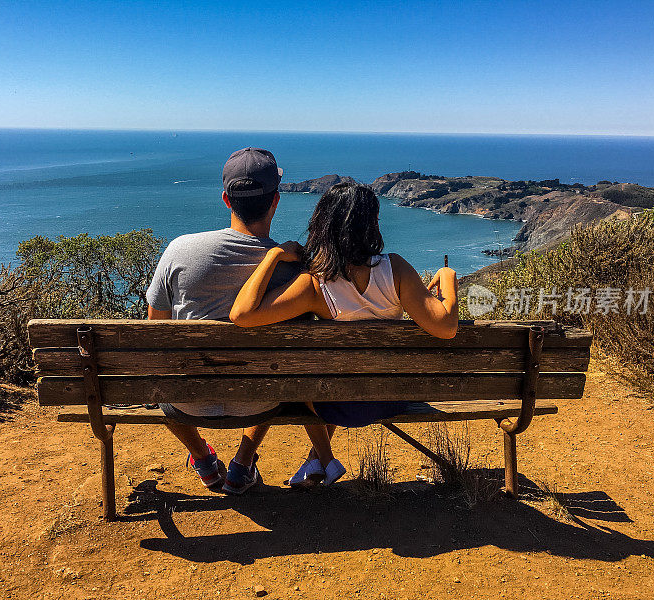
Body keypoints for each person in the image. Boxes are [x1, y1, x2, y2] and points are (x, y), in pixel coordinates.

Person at [229, 182, 458, 487]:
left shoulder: (314, 286)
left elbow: (241, 315)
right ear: (372, 224)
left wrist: (273, 256)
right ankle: (317, 462)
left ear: (322, 225)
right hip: (393, 398)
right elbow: (446, 326)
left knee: (302, 379)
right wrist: (448, 278)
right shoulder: (397, 270)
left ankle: (320, 460)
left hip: (336, 405)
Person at [146, 147, 300, 495]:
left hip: (187, 400)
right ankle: (243, 463)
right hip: (261, 399)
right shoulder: (292, 267)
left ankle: (202, 458)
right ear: (276, 200)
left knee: (162, 383)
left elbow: (154, 333)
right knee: (278, 377)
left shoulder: (179, 250)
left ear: (226, 200)